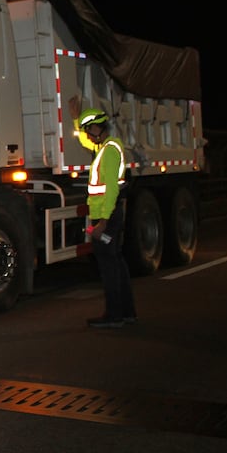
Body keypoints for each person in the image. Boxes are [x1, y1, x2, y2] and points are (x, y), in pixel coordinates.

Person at [77, 108, 137, 328]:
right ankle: (127, 313)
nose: (88, 135)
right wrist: (77, 119)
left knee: (109, 265)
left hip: (107, 216)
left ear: (96, 128)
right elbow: (84, 141)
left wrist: (102, 222)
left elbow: (111, 189)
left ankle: (114, 315)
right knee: (116, 262)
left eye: (88, 130)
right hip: (107, 215)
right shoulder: (104, 148)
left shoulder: (110, 151)